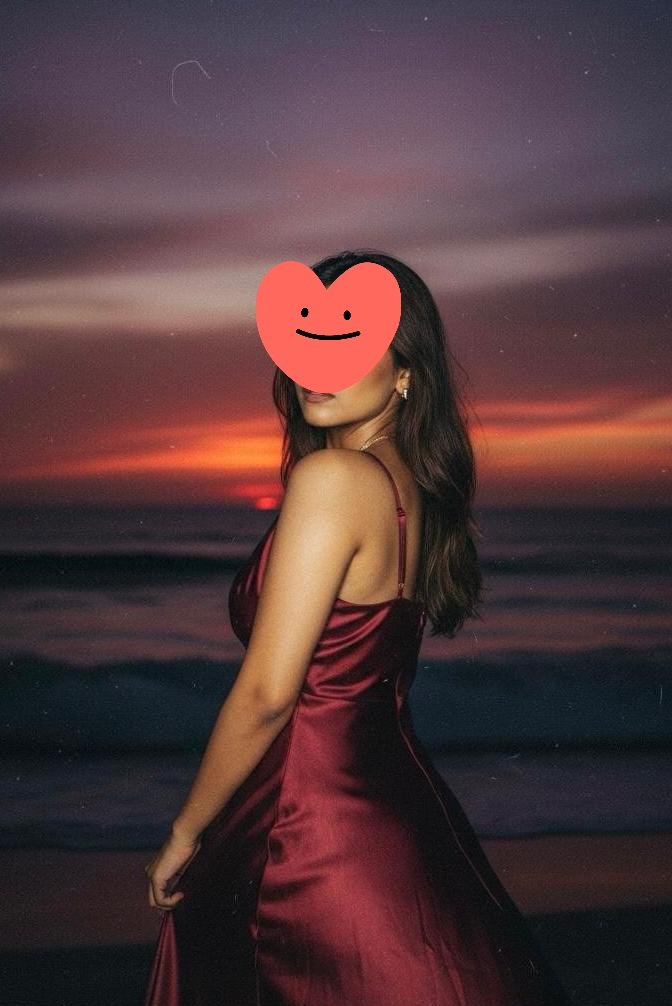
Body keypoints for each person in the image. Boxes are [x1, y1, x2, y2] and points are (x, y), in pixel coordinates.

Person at [142, 249, 568, 1004]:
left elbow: (269, 694)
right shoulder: (408, 489)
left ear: (405, 372)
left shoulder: (333, 480)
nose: (317, 366)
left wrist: (184, 832)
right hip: (392, 805)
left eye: (348, 344)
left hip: (310, 826)